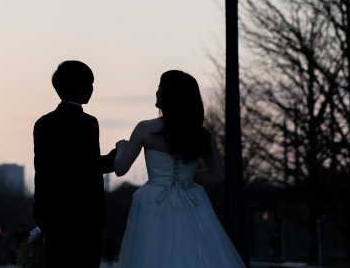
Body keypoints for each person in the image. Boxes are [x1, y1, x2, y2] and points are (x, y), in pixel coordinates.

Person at [113, 70, 246, 268]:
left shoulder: (145, 128)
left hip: (154, 202)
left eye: (159, 87)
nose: (156, 92)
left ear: (169, 94)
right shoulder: (201, 135)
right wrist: (186, 177)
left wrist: (120, 148)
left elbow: (120, 169)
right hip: (193, 201)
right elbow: (218, 176)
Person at [33, 60, 117, 268]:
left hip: (55, 215)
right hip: (86, 215)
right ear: (85, 88)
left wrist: (40, 212)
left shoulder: (43, 123)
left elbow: (41, 171)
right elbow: (90, 166)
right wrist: (118, 155)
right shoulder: (88, 123)